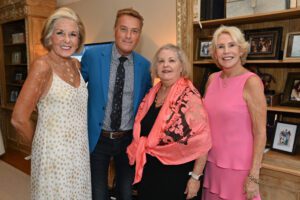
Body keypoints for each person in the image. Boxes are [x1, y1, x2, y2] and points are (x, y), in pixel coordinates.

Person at [11, 7, 91, 199]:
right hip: (53, 157)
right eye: (60, 33)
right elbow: (18, 119)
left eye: (73, 34)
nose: (67, 40)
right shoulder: (42, 66)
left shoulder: (75, 64)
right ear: (49, 37)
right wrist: (41, 147)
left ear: (79, 39)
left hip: (79, 153)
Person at [80, 8, 152, 200]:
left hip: (127, 141)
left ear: (139, 35)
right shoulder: (93, 56)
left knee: (126, 194)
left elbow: (147, 102)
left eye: (134, 31)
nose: (128, 36)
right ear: (115, 30)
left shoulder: (145, 66)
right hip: (98, 138)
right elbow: (75, 90)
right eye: (123, 29)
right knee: (98, 193)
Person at [127, 44, 212, 200]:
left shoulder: (190, 97)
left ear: (181, 67)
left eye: (172, 60)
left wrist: (195, 178)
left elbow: (203, 142)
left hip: (176, 178)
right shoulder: (152, 93)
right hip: (150, 173)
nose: (166, 65)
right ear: (156, 67)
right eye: (161, 61)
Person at [202, 25, 267, 200]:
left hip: (239, 168)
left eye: (231, 45)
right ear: (215, 53)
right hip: (211, 163)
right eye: (220, 47)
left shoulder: (251, 82)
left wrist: (254, 175)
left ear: (241, 50)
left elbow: (260, 133)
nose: (226, 51)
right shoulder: (212, 79)